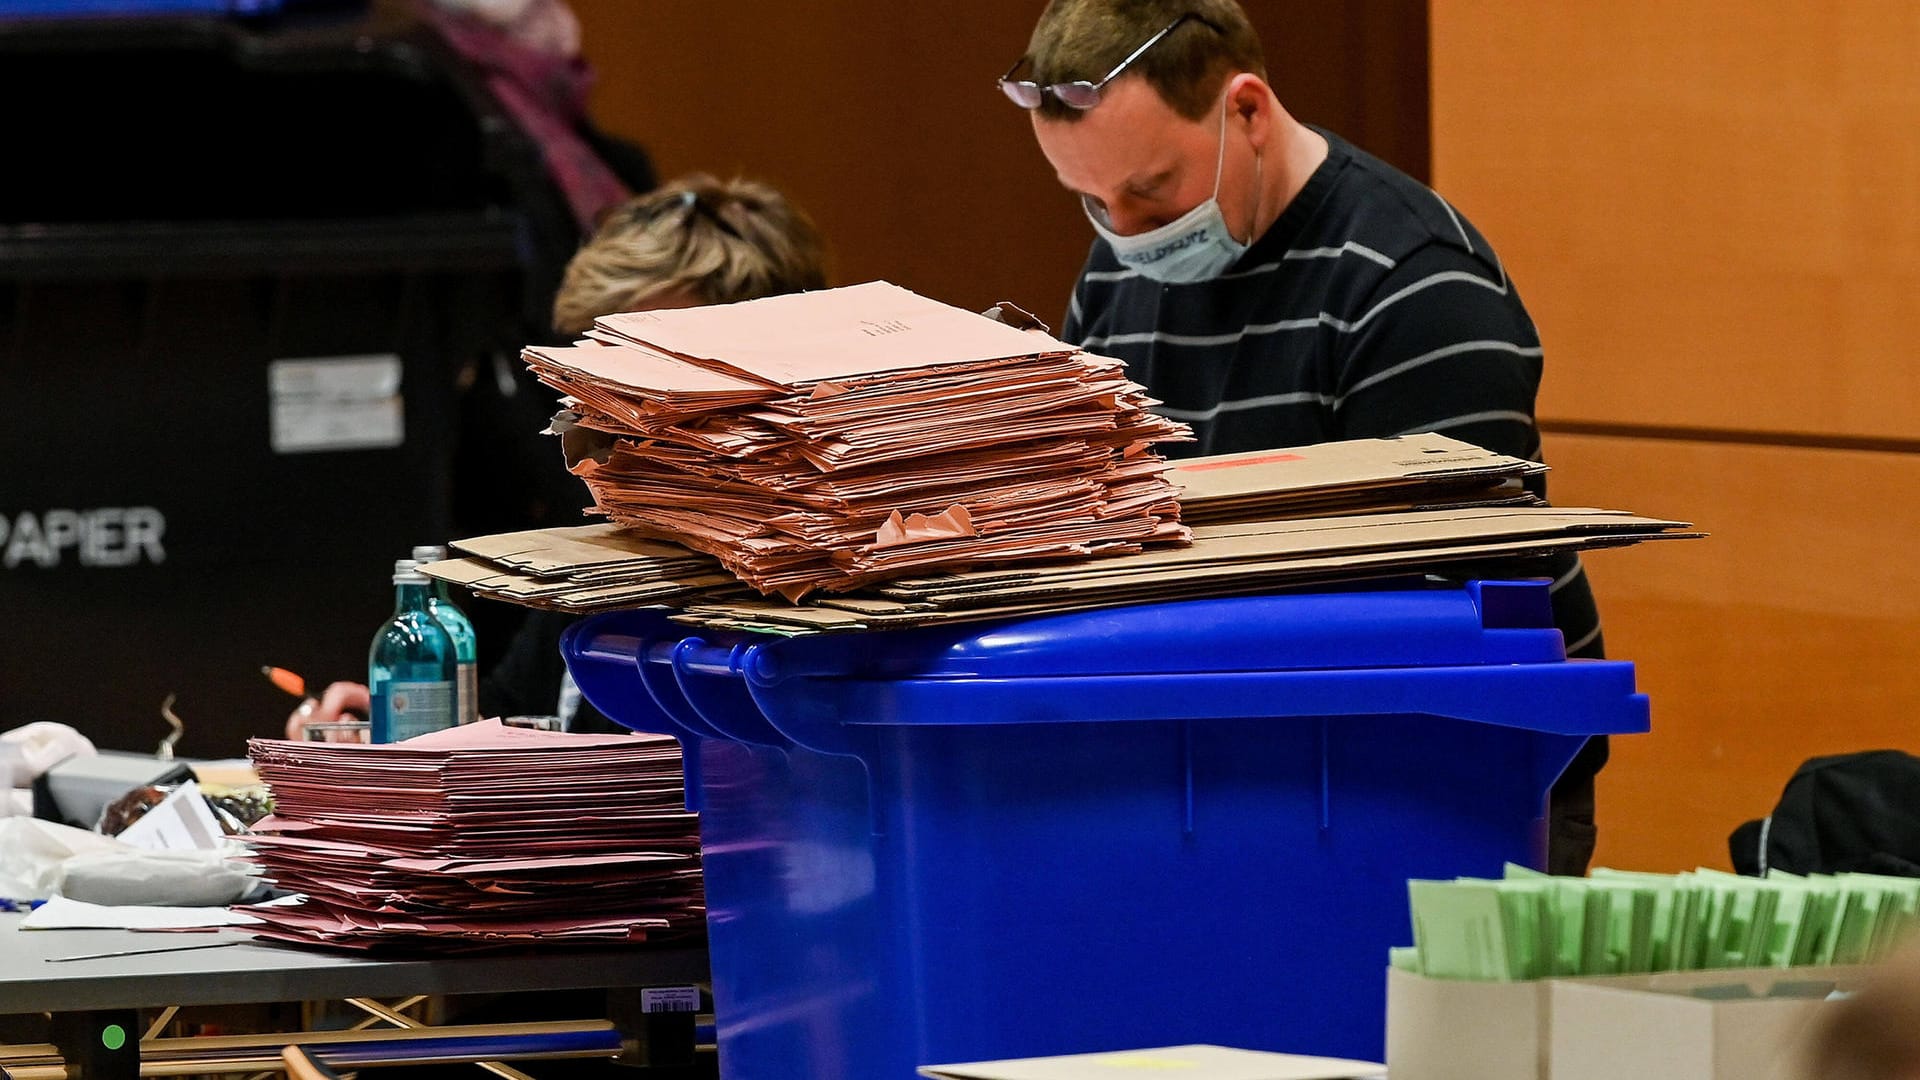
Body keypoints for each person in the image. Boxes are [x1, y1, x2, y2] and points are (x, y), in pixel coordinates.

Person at [1002, 0, 1607, 874]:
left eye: (1149, 189)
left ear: (1246, 110)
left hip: (1438, 780)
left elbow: (1451, 616)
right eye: (1090, 200)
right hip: (1219, 757)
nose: (1123, 234)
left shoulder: (1414, 287)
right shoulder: (1122, 267)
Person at [289, 173, 829, 739]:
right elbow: (517, 718)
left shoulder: (826, 581)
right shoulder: (608, 547)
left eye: (662, 374)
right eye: (607, 372)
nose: (619, 413)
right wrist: (393, 731)